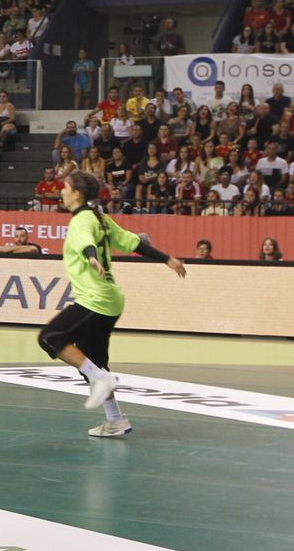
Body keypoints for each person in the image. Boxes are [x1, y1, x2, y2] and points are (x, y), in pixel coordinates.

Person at [37, 170, 186, 438]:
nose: (61, 191)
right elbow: (133, 243)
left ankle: (100, 379)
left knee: (50, 337)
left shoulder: (82, 219)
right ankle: (115, 420)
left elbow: (85, 243)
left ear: (77, 194)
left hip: (96, 299)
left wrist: (92, 257)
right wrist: (167, 259)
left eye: (65, 187)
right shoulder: (100, 218)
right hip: (111, 300)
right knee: (92, 361)